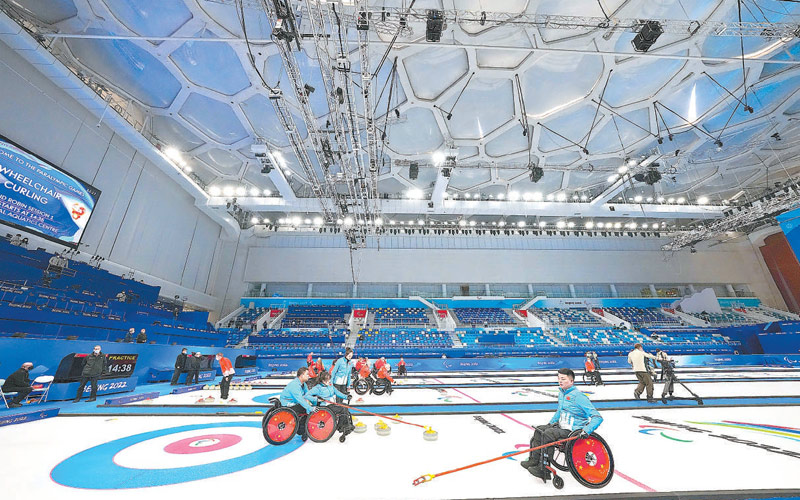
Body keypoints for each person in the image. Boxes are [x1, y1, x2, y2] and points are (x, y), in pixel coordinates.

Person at [521, 368, 603, 481]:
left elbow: (597, 417)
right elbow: (559, 412)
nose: (560, 381)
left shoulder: (579, 397)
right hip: (561, 426)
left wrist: (586, 430)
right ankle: (534, 460)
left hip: (572, 430)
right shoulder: (562, 394)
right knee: (540, 430)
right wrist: (550, 423)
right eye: (559, 378)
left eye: (563, 379)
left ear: (571, 381)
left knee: (548, 434)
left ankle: (544, 470)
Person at [305, 371, 355, 437]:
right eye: (327, 380)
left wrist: (346, 397)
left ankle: (345, 425)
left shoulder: (330, 385)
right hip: (325, 406)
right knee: (342, 408)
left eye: (329, 379)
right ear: (323, 380)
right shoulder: (317, 388)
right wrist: (317, 399)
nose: (329, 381)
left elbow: (337, 392)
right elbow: (306, 396)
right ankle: (342, 427)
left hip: (332, 404)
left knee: (345, 406)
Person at [279, 366, 313, 439]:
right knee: (304, 408)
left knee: (308, 405)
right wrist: (310, 408)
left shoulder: (303, 384)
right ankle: (303, 431)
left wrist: (316, 400)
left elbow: (308, 395)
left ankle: (302, 428)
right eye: (307, 374)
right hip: (287, 404)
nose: (309, 376)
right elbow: (300, 399)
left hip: (294, 402)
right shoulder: (295, 385)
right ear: (301, 375)